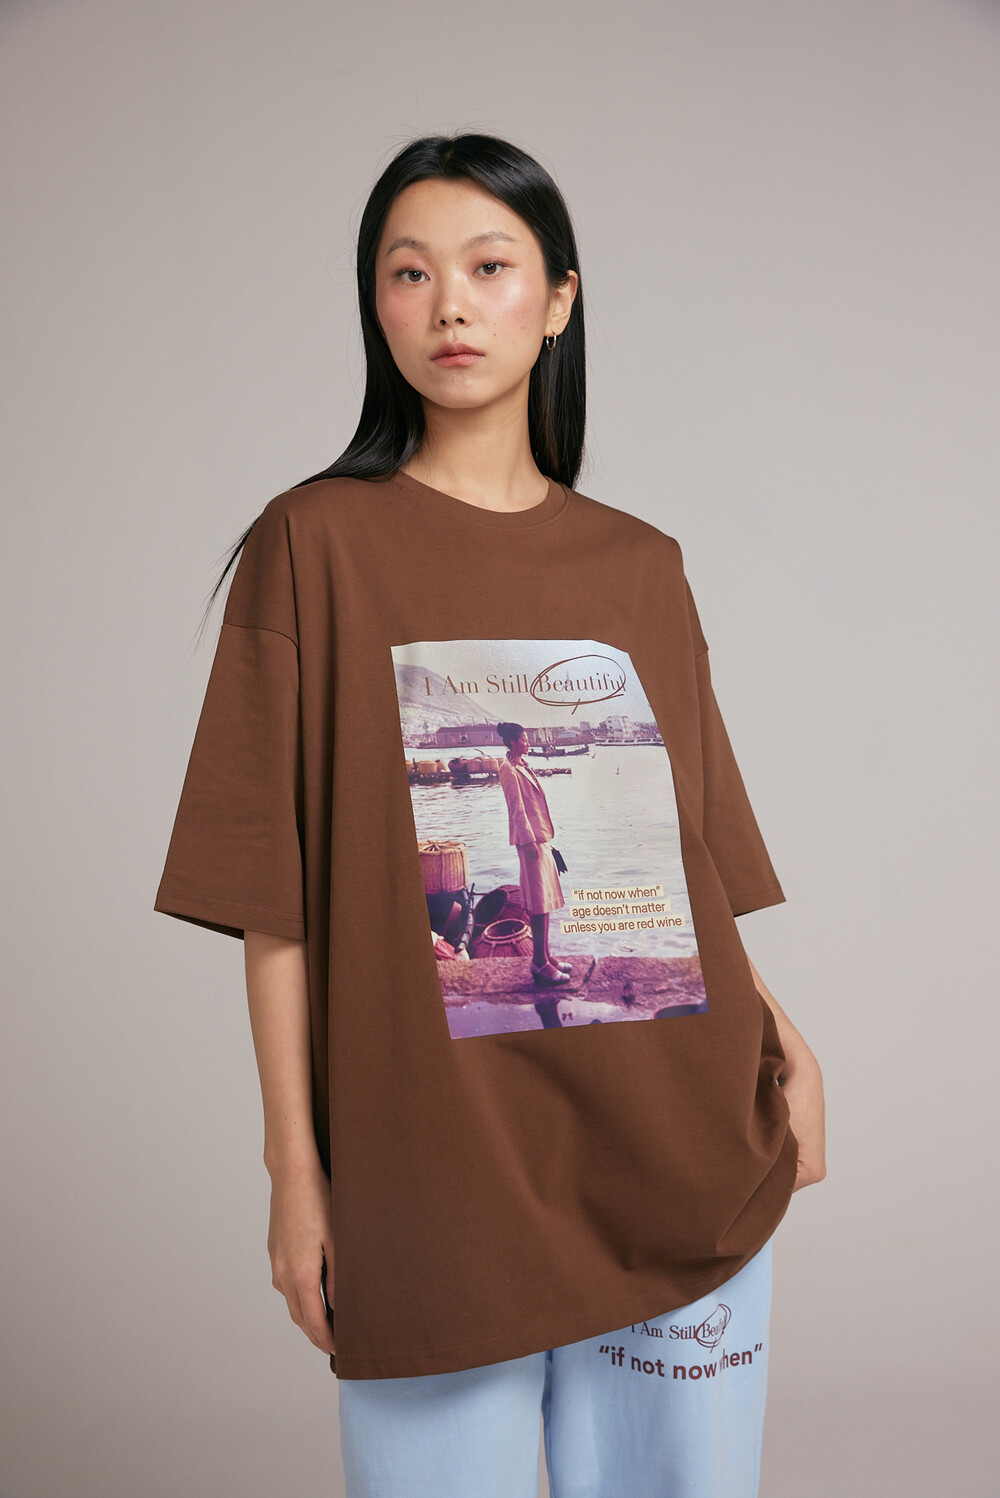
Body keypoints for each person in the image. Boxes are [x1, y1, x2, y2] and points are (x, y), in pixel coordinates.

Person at [153, 132, 826, 1498]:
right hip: (432, 1183)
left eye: (488, 266)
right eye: (409, 272)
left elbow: (684, 860)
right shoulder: (314, 544)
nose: (448, 304)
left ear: (559, 299)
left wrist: (784, 1038)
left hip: (677, 1148)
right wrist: (296, 1172)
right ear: (376, 303)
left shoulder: (640, 565)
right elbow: (271, 895)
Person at [495, 720, 570, 985]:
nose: (528, 743)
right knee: (538, 903)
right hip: (531, 843)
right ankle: (539, 963)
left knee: (545, 898)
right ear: (513, 741)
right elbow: (516, 810)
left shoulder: (521, 764)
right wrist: (528, 843)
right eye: (524, 739)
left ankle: (546, 956)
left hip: (541, 839)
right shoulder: (507, 769)